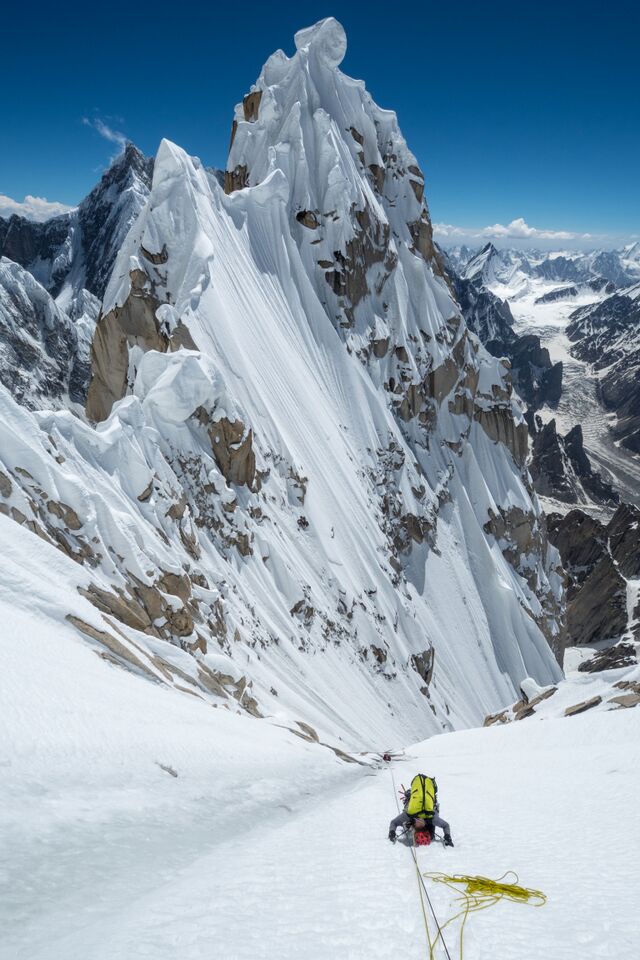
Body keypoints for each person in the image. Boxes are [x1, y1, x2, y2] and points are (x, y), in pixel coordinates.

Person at [388, 773, 454, 846]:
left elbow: (394, 822)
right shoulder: (432, 818)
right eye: (420, 824)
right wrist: (447, 836)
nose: (419, 820)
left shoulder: (409, 814)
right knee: (431, 835)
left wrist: (392, 832)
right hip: (424, 805)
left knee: (431, 835)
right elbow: (446, 825)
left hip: (418, 805)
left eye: (417, 823)